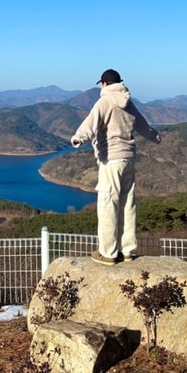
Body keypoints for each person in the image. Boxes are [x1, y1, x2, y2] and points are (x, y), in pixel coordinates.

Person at [70, 68, 161, 265]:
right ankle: (127, 250)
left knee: (107, 205)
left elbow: (90, 124)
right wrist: (156, 137)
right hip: (129, 159)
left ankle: (108, 253)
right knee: (128, 204)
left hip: (111, 159)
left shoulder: (105, 101)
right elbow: (143, 126)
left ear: (103, 84)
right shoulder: (128, 103)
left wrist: (78, 138)